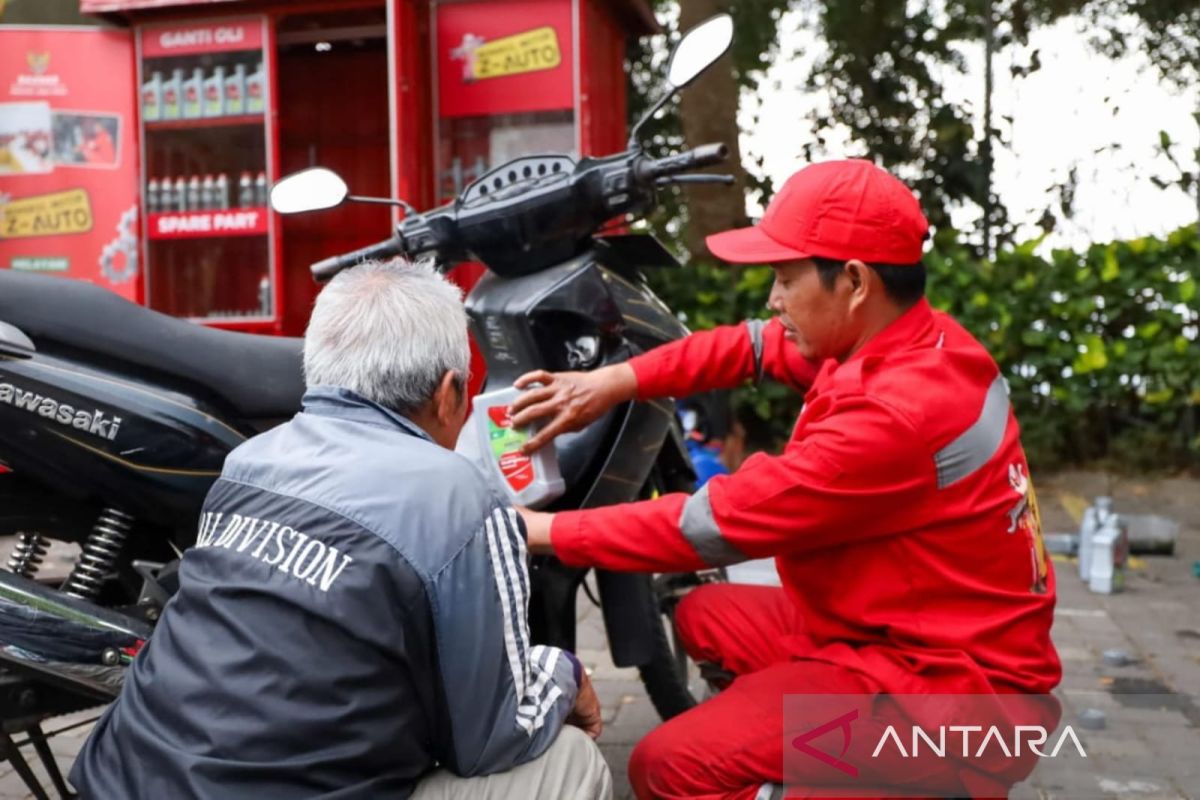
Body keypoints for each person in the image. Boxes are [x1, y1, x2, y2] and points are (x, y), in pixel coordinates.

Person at [510, 160, 1062, 799]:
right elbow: (747, 346)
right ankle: (811, 750)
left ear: (853, 281)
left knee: (664, 766)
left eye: (784, 278)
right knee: (706, 616)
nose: (773, 299)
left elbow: (710, 523)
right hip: (893, 633)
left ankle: (863, 780)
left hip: (949, 700)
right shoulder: (904, 341)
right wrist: (611, 382)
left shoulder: (894, 413)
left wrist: (539, 530)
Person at [70, 259, 611, 800]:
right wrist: (564, 674)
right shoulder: (459, 497)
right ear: (448, 394)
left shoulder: (248, 461)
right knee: (571, 761)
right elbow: (492, 739)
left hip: (119, 780)